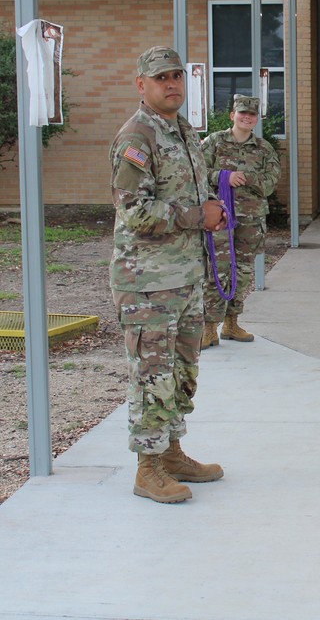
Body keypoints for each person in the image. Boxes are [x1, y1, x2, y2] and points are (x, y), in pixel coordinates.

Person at [109, 45, 227, 504]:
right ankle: (147, 468)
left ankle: (172, 452)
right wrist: (199, 215)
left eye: (177, 75)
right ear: (142, 85)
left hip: (184, 277)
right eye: (161, 78)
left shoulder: (182, 130)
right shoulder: (136, 138)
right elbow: (134, 210)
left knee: (181, 371)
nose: (171, 84)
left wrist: (211, 213)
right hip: (147, 284)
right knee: (152, 375)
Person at [201, 95, 281, 349]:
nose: (247, 118)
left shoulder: (264, 148)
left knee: (242, 271)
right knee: (216, 269)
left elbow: (270, 183)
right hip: (219, 217)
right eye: (242, 113)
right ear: (232, 115)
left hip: (250, 219)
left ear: (257, 119)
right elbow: (198, 174)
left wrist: (246, 178)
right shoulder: (214, 142)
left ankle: (231, 323)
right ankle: (209, 328)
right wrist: (223, 176)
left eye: (252, 115)